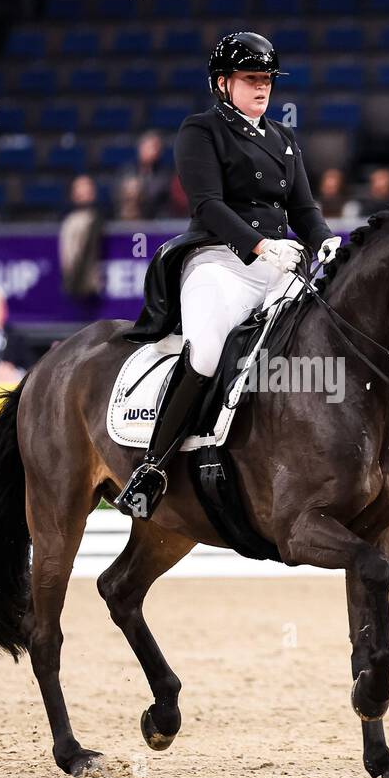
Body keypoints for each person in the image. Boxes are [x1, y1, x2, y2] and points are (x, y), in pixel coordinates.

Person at [113, 31, 342, 519]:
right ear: (222, 83)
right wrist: (259, 244)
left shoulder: (283, 137)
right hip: (220, 263)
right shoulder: (201, 131)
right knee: (208, 353)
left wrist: (322, 236)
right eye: (251, 80)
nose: (262, 89)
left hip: (281, 265)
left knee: (315, 346)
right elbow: (207, 205)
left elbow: (302, 205)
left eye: (267, 81)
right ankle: (152, 468)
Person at [58, 174, 103, 299]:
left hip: (93, 286)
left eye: (87, 188)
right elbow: (67, 255)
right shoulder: (69, 222)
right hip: (75, 283)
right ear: (73, 193)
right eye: (79, 188)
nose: (84, 192)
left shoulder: (99, 217)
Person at [119, 130, 173, 220]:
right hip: (128, 220)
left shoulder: (165, 173)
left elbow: (162, 198)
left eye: (157, 148)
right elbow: (118, 195)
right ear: (141, 148)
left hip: (155, 220)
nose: (155, 152)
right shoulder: (127, 170)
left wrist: (141, 191)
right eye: (151, 147)